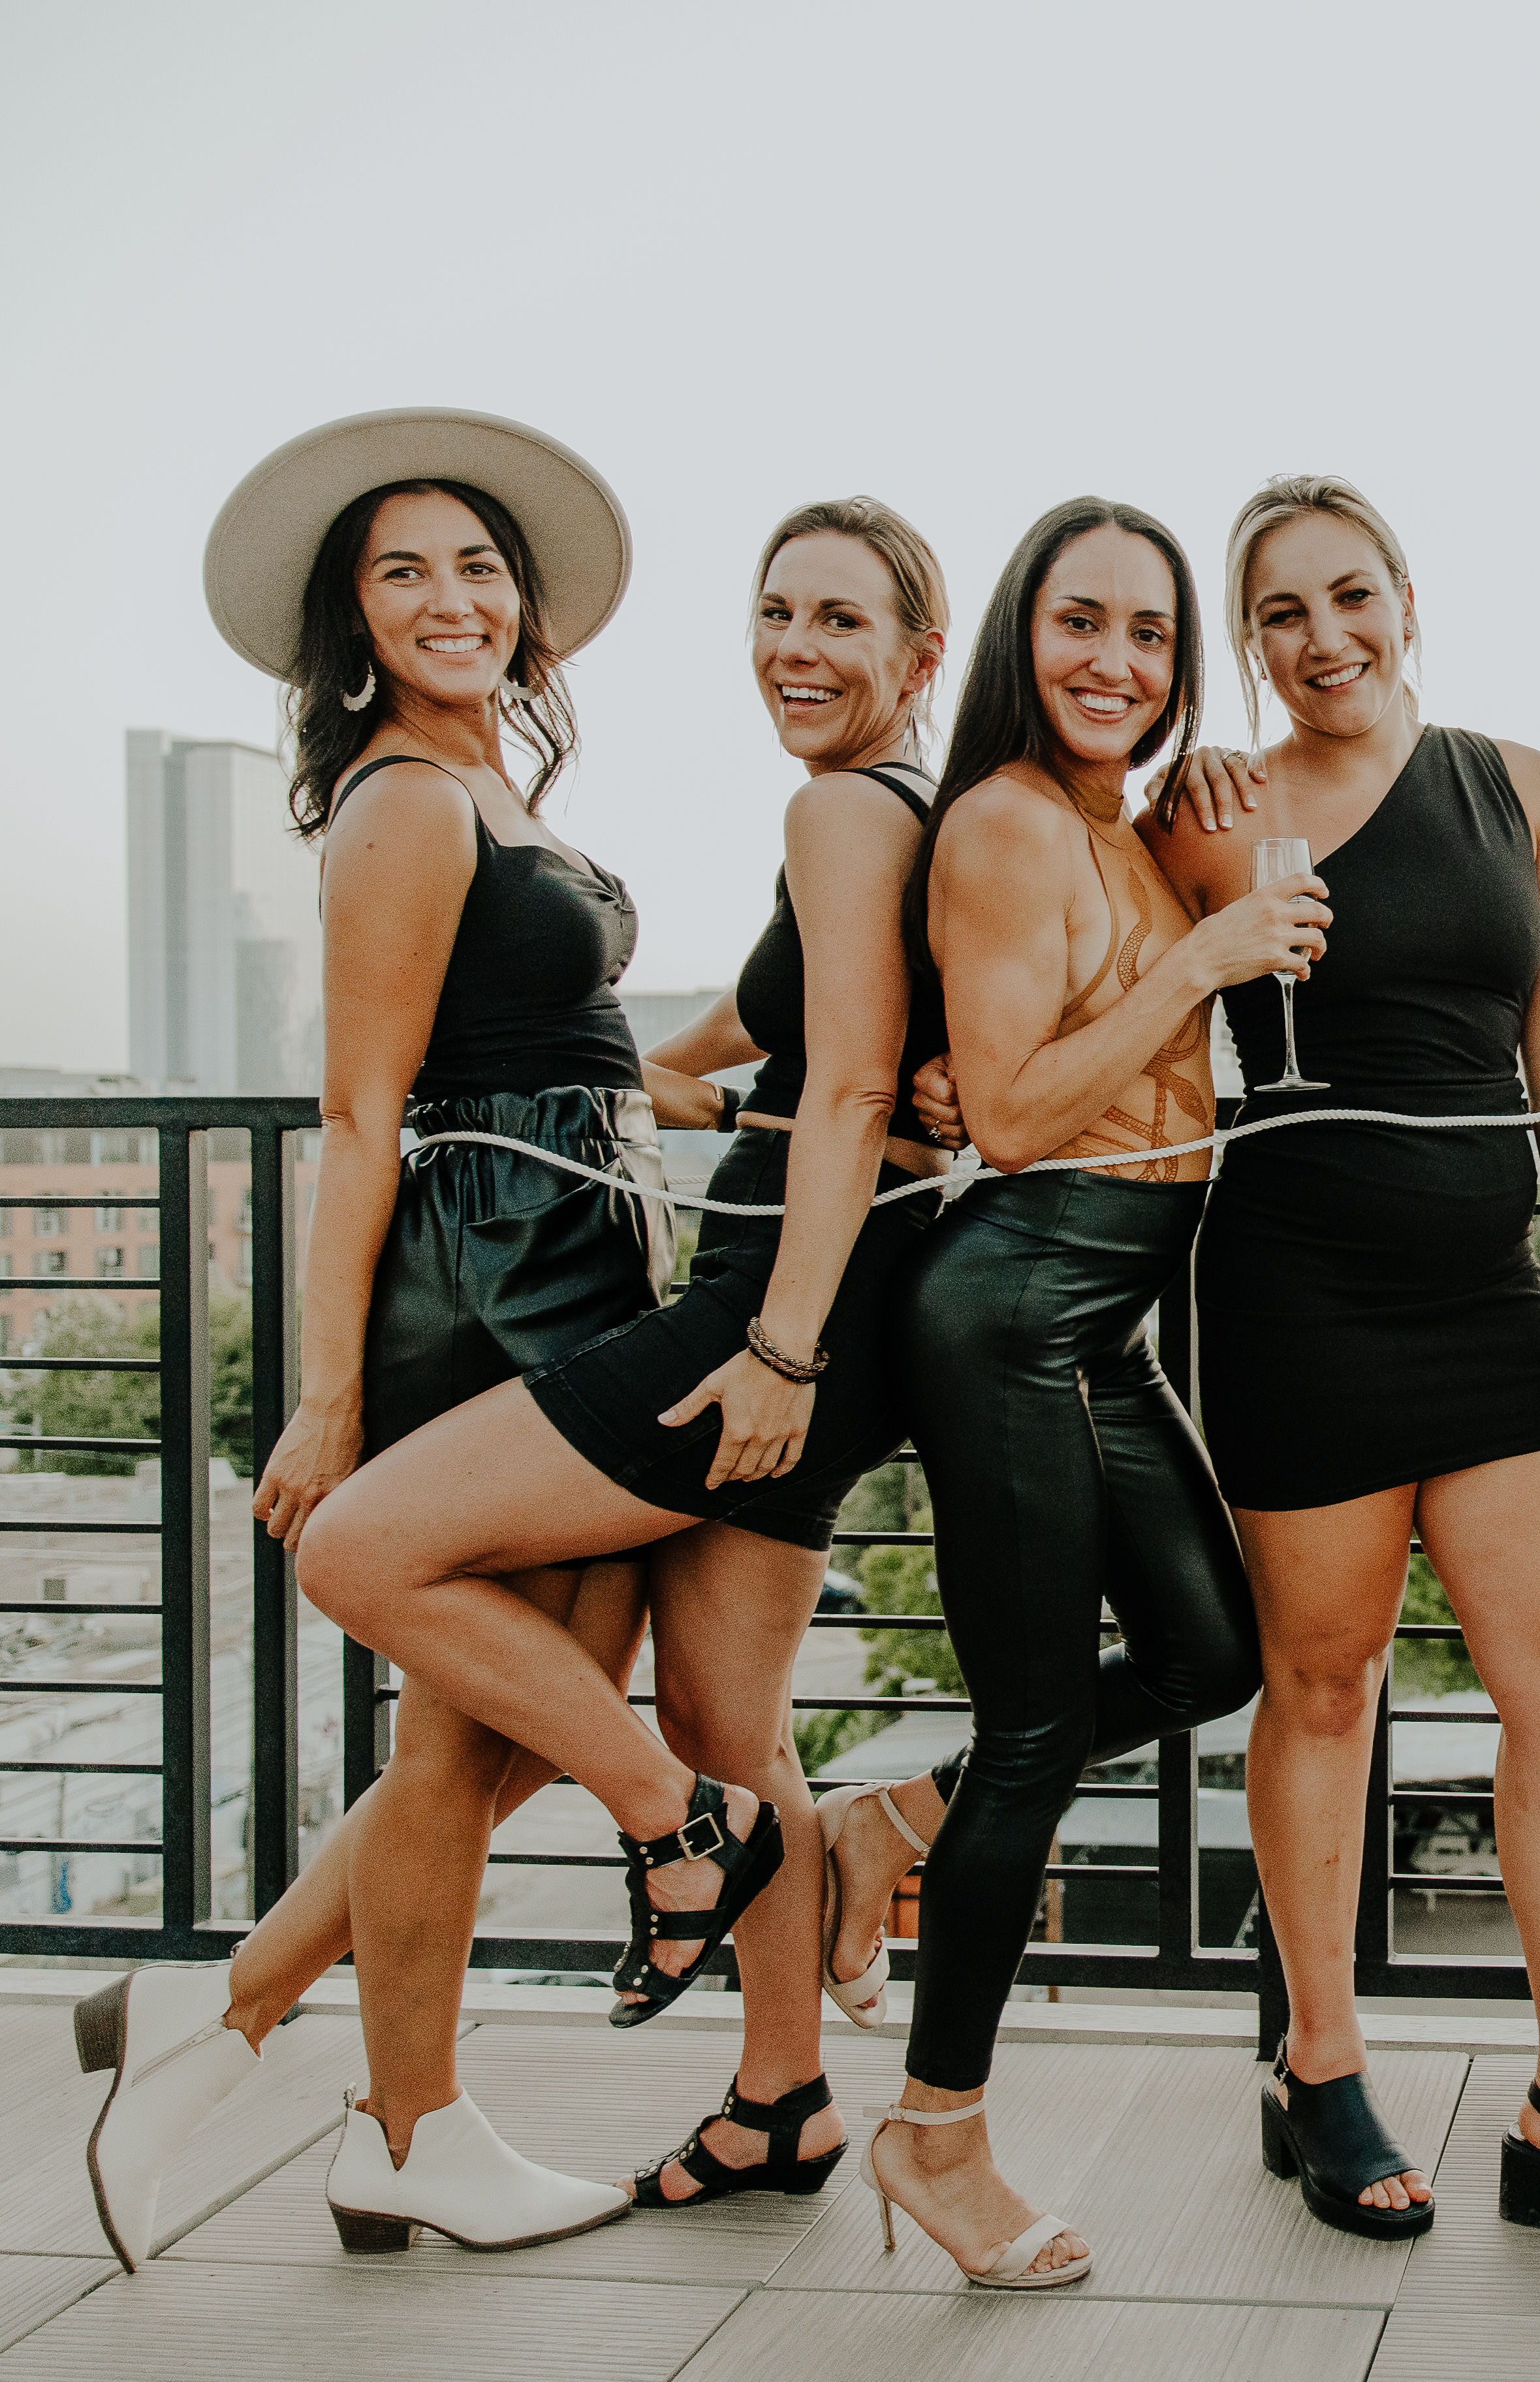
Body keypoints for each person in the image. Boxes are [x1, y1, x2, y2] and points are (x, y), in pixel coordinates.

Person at [76, 409, 664, 2268]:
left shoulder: (492, 791)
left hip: (567, 1252)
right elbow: (359, 1117)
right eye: (402, 573)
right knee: (483, 1733)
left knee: (485, 1738)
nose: (450, 598)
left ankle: (250, 2028)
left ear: (527, 606)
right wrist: (321, 1399)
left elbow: (572, 1051)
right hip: (487, 1287)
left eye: (479, 565)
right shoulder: (407, 804)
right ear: (352, 622)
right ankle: (398, 2118)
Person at [1137, 475, 1540, 2271]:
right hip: (1294, 1291)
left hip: (1488, 1295)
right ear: (1248, 647)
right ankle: (1321, 2068)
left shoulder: (1515, 782)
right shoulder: (1206, 809)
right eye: (1282, 617)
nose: (1324, 639)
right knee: (1322, 1689)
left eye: (1350, 596)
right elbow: (1129, 1017)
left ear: (1408, 599)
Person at [856, 496, 1300, 2290]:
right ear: (1017, 645)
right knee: (1041, 1743)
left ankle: (889, 1818)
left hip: (1105, 1317)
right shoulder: (1009, 823)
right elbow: (1020, 1111)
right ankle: (934, 2136)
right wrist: (1201, 957)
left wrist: (1221, 878)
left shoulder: (1119, 831)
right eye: (1079, 624)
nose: (1117, 663)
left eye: (1150, 633)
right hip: (1021, 1304)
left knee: (1215, 1658)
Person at [521, 493, 958, 2210]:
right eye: (777, 611)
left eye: (842, 620)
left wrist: (774, 1345)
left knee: (370, 1539)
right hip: (816, 1304)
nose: (796, 646)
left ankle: (669, 1833)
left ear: (921, 657)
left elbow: (859, 1086)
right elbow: (748, 1050)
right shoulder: (902, 820)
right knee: (725, 1708)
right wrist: (687, 1081)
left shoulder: (849, 806)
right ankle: (783, 2099)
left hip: (772, 1317)